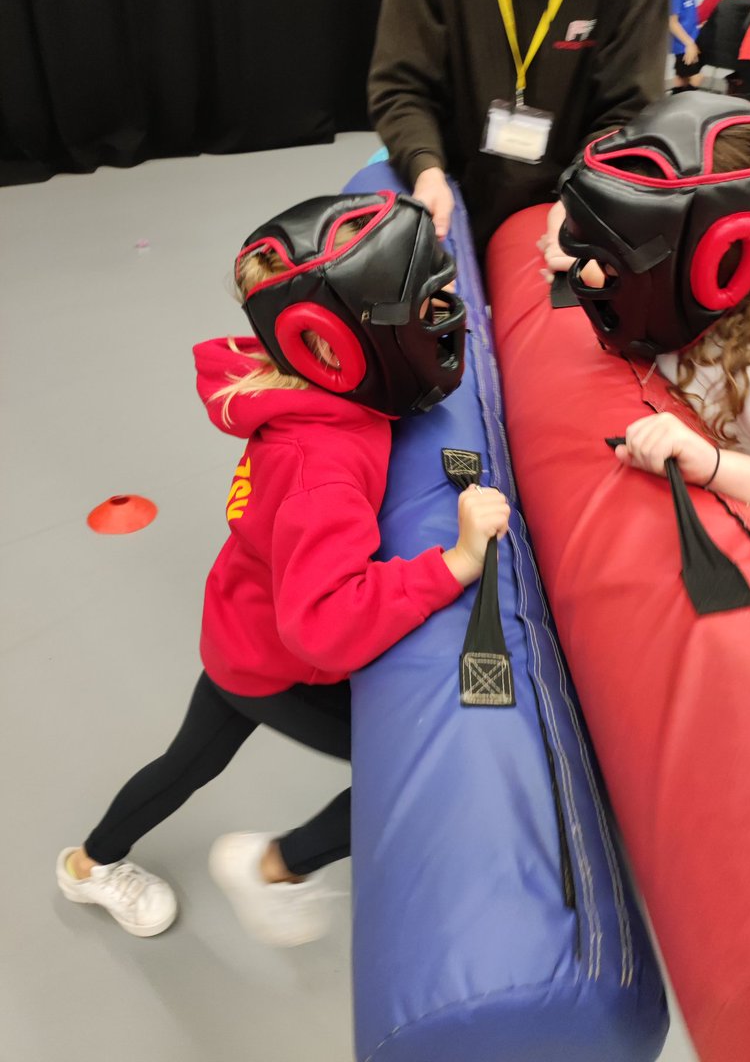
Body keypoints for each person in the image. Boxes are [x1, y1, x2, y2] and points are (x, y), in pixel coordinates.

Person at [55, 192, 511, 943]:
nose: (444, 314)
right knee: (410, 770)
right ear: (338, 342)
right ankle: (274, 868)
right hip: (271, 658)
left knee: (186, 762)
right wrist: (455, 562)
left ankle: (85, 865)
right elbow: (326, 628)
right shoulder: (322, 467)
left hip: (242, 625)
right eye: (426, 303)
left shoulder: (317, 391)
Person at [559, 91, 750, 550]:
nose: (598, 277)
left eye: (617, 263)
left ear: (704, 258)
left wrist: (712, 464)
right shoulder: (670, 303)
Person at [367, 0, 668, 262]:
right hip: (447, 189)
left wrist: (586, 198)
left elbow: (629, 111)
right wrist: (425, 170)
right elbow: (402, 86)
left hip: (559, 212)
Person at [670, 0, 714, 90]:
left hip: (691, 43)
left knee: (681, 81)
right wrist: (688, 43)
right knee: (695, 79)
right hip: (683, 46)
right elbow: (672, 22)